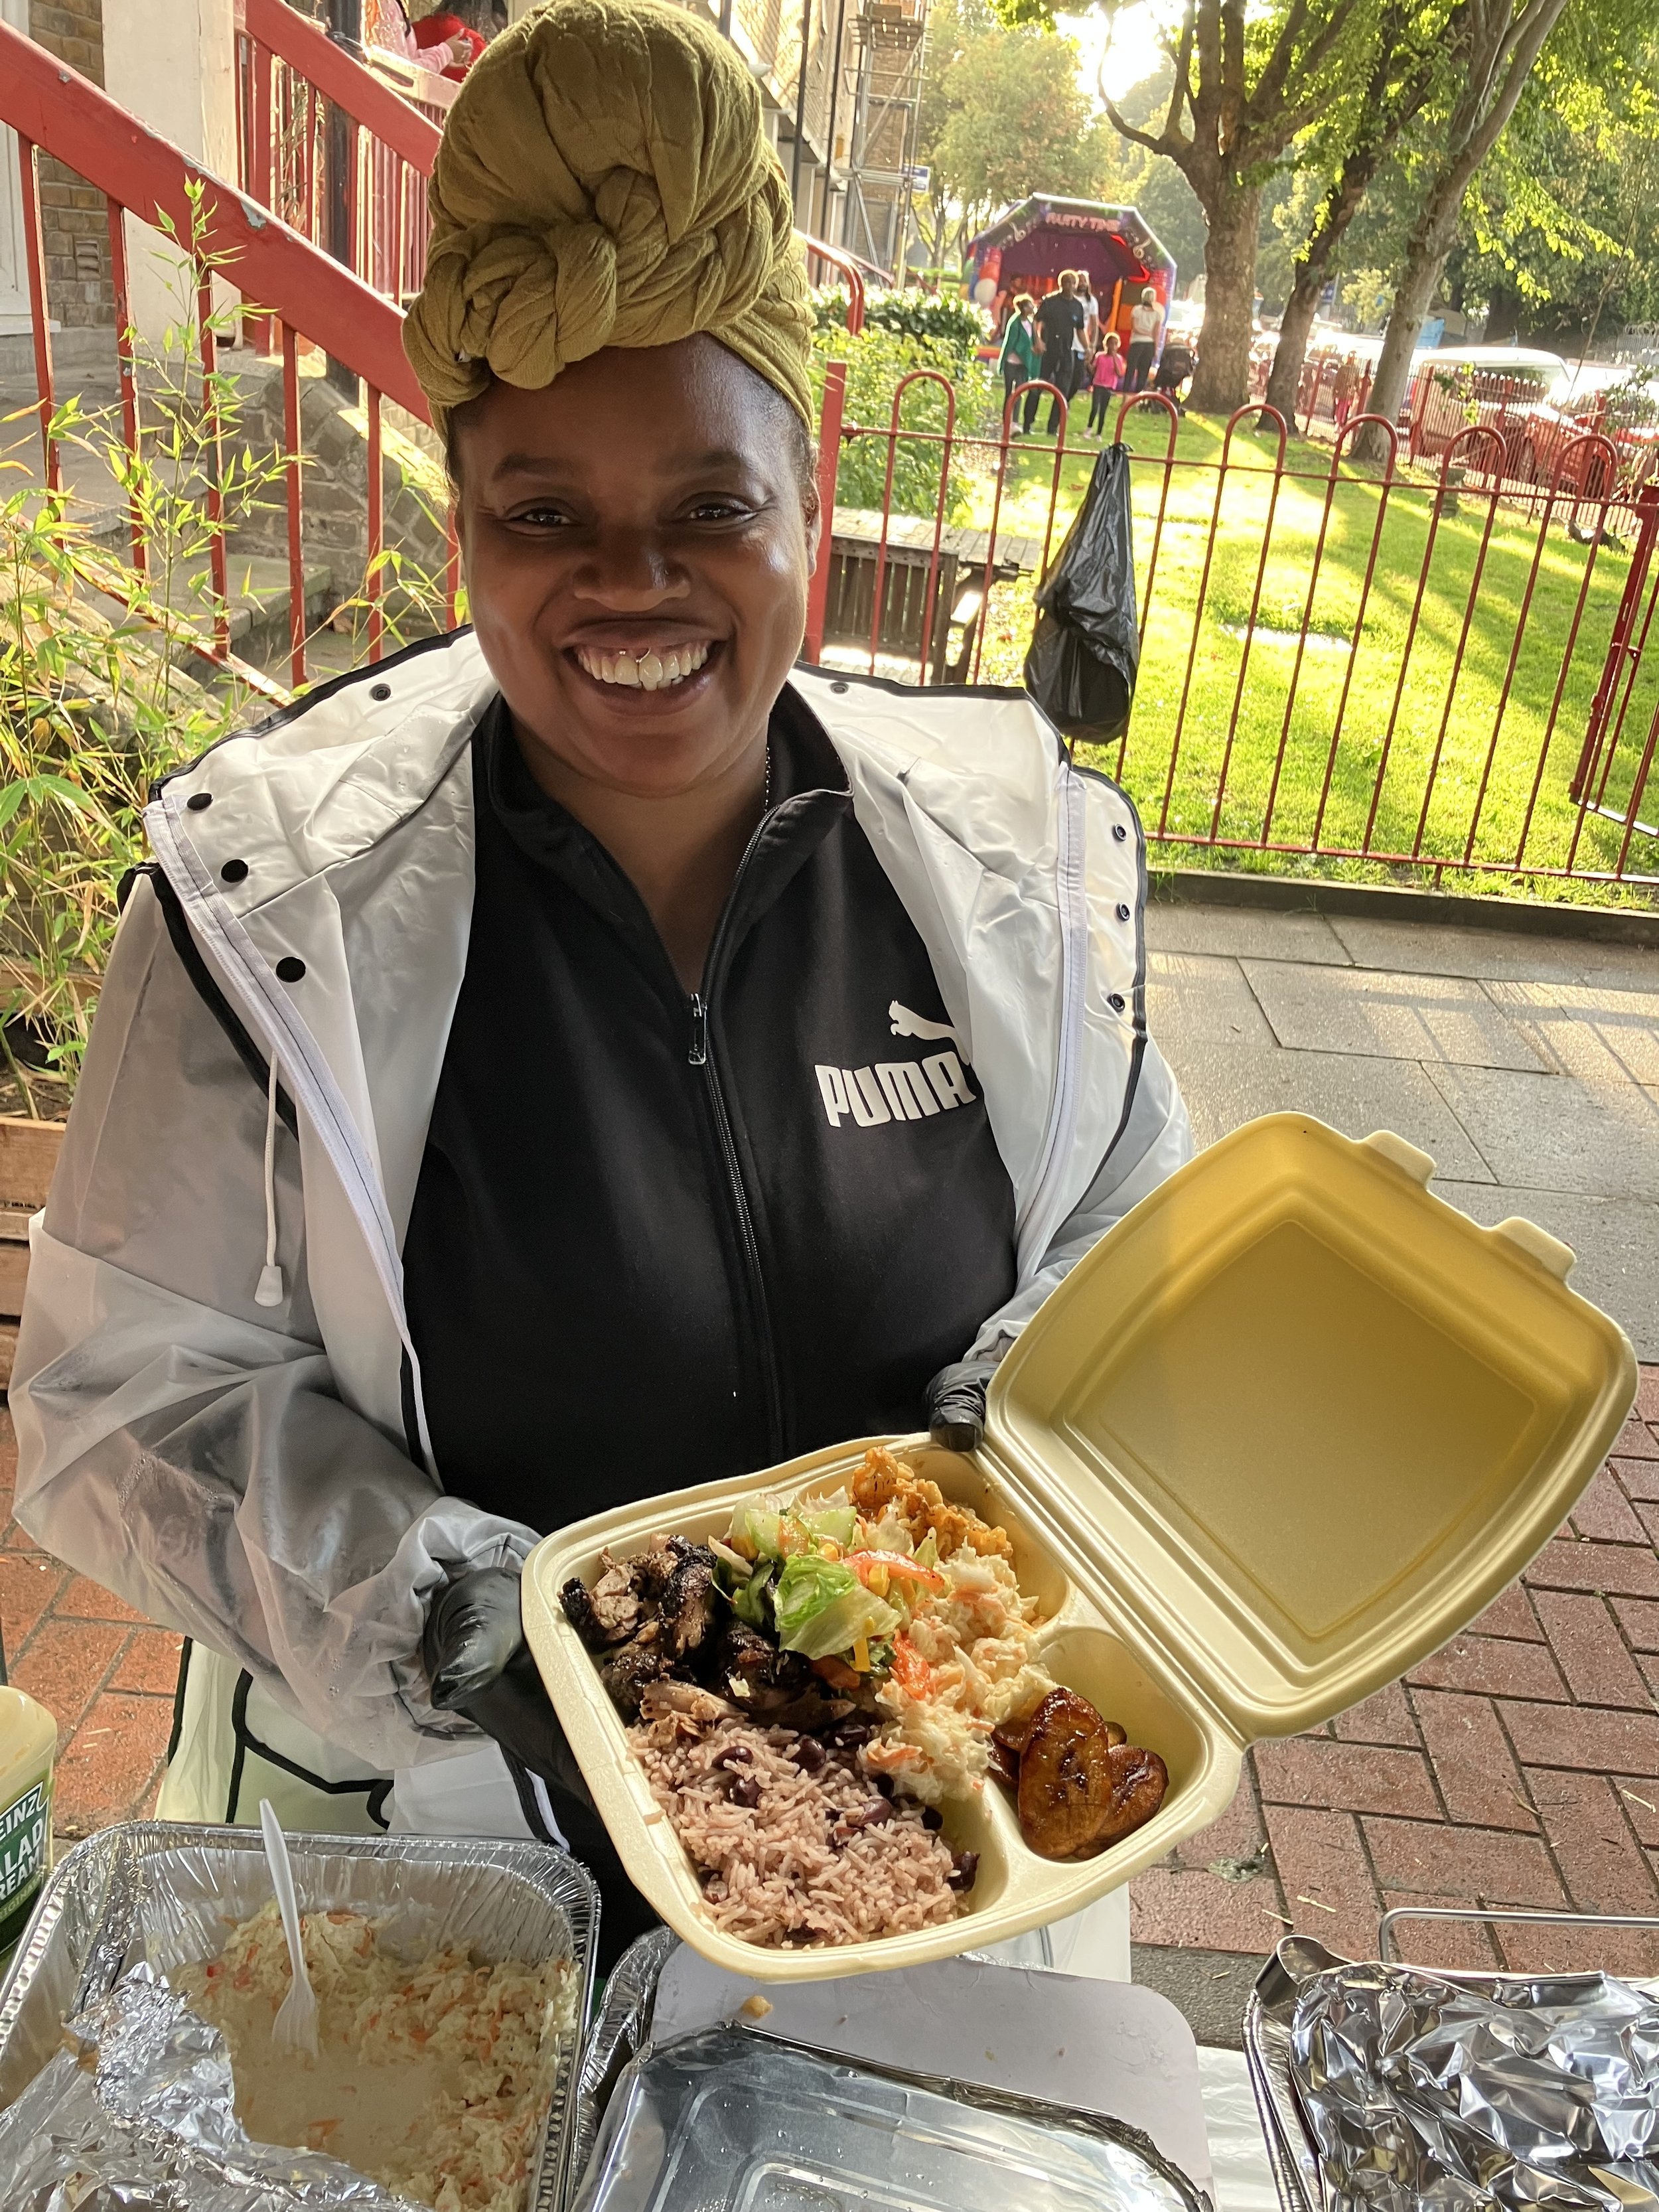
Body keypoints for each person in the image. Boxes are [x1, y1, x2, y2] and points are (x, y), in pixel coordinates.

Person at [11, 0, 1190, 1978]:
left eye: (705, 505)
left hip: (946, 1889)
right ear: (459, 518)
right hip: (447, 1878)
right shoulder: (257, 920)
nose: (627, 581)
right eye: (541, 510)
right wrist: (451, 1609)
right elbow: (114, 1410)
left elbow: (1144, 1244)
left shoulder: (1017, 877)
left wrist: (1053, 1397)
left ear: (801, 501)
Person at [1027, 271, 1086, 436]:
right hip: (1048, 349)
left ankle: (1053, 428)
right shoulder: (1050, 302)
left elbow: (1080, 330)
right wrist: (1038, 340)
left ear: (1075, 285)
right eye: (1066, 282)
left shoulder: (1077, 306)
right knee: (1038, 386)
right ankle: (1028, 424)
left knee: (1063, 391)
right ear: (1061, 284)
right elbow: (1036, 321)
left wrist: (1088, 348)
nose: (1069, 286)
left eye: (1072, 283)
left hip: (1067, 351)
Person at [997, 295, 1039, 425]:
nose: (1033, 307)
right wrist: (1003, 362)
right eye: (1030, 305)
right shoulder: (1015, 322)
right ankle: (1006, 420)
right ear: (1024, 308)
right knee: (1009, 392)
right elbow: (1010, 343)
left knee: (1020, 392)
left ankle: (1015, 421)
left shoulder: (1031, 324)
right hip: (1011, 363)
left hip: (1023, 365)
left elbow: (1032, 342)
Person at [1124, 285, 1163, 396]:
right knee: (1143, 371)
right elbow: (1156, 334)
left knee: (1131, 368)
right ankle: (1139, 394)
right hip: (1149, 344)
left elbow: (1135, 328)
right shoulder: (1157, 314)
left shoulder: (1136, 310)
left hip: (1137, 342)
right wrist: (1155, 349)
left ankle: (1125, 392)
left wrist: (1144, 332)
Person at [1087, 332, 1122, 435]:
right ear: (1106, 344)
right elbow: (1094, 370)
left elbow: (1119, 373)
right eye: (1111, 344)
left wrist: (1115, 358)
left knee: (1103, 410)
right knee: (1095, 408)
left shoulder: (1118, 359)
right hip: (1098, 385)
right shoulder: (1100, 356)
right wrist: (1088, 365)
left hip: (1109, 387)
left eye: (1116, 344)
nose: (1113, 346)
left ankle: (1099, 433)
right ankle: (1089, 428)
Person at [1153, 335, 1194, 413]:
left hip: (1166, 374)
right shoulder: (1185, 355)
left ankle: (1162, 401)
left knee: (1159, 384)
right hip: (1178, 376)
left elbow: (1162, 364)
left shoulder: (1168, 351)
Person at [1333, 352, 1360, 430]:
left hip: (1350, 393)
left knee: (1346, 408)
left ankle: (1341, 423)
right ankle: (1338, 422)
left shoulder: (1355, 369)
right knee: (1340, 407)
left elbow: (1357, 381)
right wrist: (1336, 390)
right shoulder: (1343, 368)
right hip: (1341, 391)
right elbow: (1338, 379)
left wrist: (1358, 391)